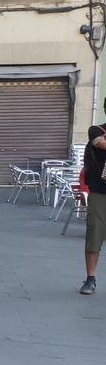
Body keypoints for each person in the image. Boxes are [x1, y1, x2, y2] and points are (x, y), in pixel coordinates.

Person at [80, 116, 106, 294]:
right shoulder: (97, 130)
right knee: (95, 232)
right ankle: (91, 279)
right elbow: (99, 143)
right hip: (100, 193)